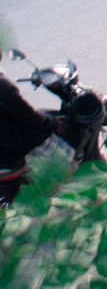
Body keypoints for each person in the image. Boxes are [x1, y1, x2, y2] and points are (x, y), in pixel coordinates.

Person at [1, 69, 62, 204]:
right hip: (12, 149)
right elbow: (29, 116)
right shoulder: (3, 87)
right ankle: (58, 195)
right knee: (64, 158)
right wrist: (53, 123)